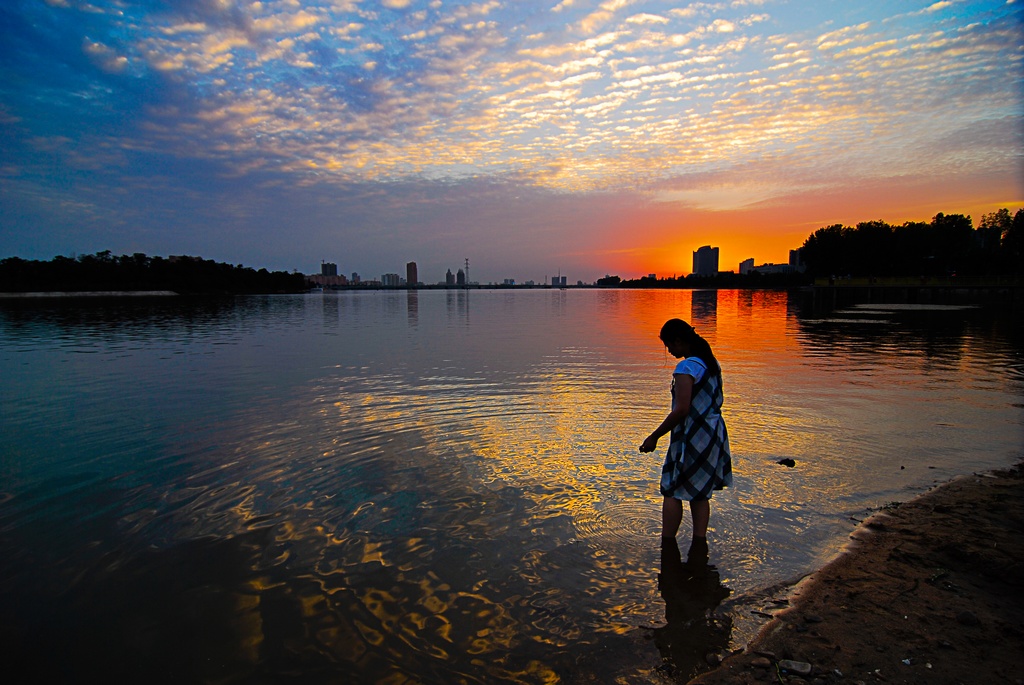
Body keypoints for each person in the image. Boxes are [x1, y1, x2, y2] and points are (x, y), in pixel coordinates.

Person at [640, 318, 732, 563]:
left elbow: (681, 410)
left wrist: (654, 436)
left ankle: (667, 545)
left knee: (671, 488)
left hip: (692, 436)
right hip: (713, 435)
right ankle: (699, 546)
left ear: (679, 341)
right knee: (700, 493)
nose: (669, 351)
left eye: (669, 345)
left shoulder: (686, 368)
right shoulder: (710, 364)